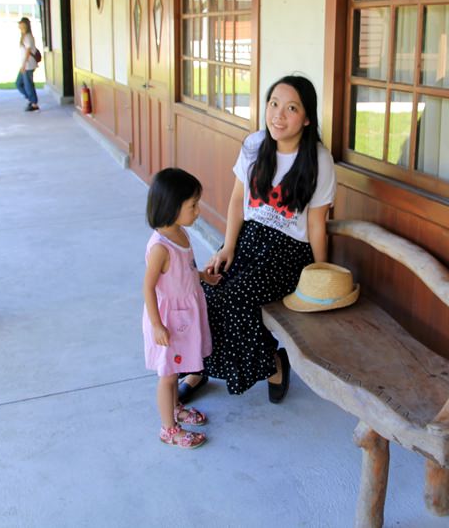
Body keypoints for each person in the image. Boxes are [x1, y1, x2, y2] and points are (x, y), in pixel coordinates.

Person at [179, 75, 336, 403]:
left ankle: (272, 364)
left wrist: (322, 275)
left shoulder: (318, 160)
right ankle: (198, 368)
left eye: (291, 108)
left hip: (289, 252)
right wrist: (227, 246)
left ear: (307, 119)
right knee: (208, 287)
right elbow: (238, 201)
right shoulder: (254, 145)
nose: (279, 114)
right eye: (274, 104)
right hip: (249, 240)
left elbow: (318, 224)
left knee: (236, 296)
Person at [143, 167, 221, 449]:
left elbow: (185, 269)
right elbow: (148, 287)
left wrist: (204, 277)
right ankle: (169, 429)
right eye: (193, 205)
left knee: (177, 369)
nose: (198, 211)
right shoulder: (160, 248)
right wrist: (156, 324)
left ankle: (176, 406)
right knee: (167, 376)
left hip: (186, 313)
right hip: (168, 319)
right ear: (172, 207)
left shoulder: (181, 234)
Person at [15, 17, 40, 112]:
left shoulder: (28, 36)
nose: (19, 26)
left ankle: (34, 103)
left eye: (21, 24)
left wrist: (24, 65)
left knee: (28, 84)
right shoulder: (24, 36)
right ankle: (30, 99)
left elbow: (28, 51)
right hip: (25, 64)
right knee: (19, 83)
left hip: (28, 65)